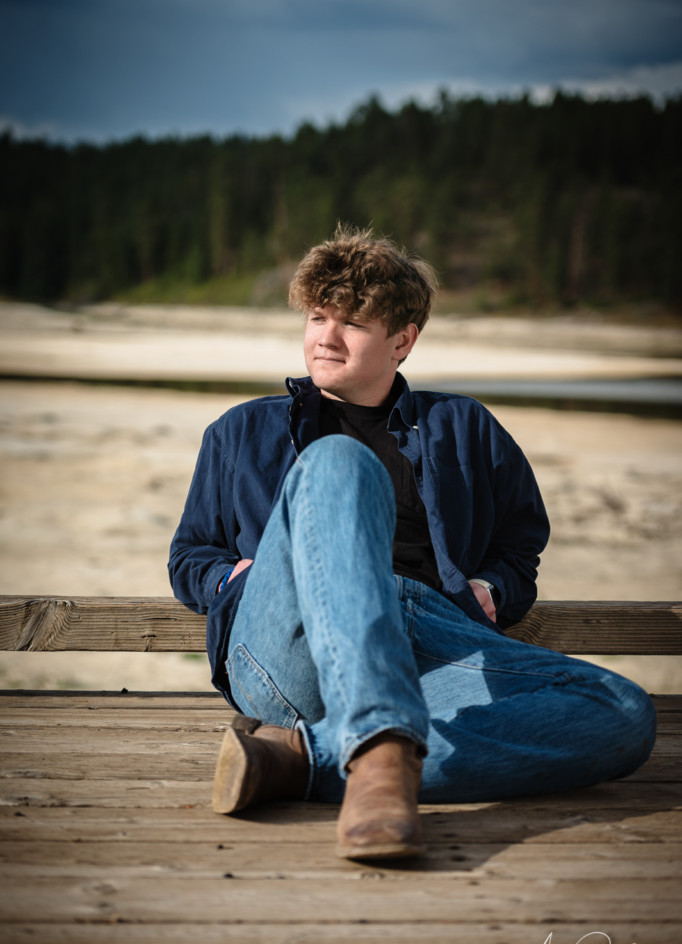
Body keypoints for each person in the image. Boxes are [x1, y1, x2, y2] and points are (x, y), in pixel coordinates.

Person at [168, 225, 656, 861]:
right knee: (339, 462)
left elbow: (520, 542)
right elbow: (189, 558)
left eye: (353, 321)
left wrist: (495, 587)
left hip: (430, 640)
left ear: (403, 339)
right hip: (292, 644)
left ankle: (303, 761)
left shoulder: (467, 427)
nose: (326, 337)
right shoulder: (240, 432)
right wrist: (238, 579)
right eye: (318, 316)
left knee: (622, 711)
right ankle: (377, 744)